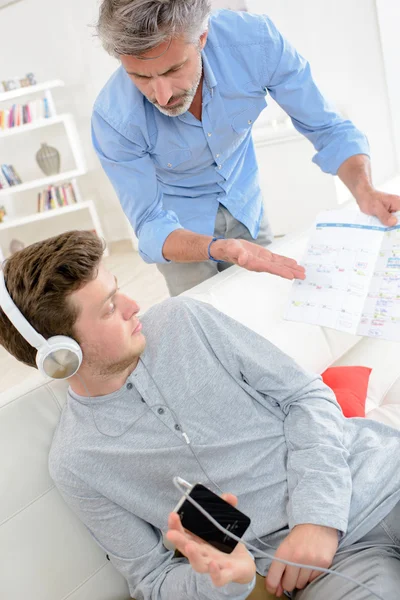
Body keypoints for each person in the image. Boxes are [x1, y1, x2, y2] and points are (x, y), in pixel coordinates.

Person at [0, 229, 400, 600]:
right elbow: (151, 579)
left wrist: (317, 518)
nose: (133, 305)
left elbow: (306, 397)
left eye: (118, 290)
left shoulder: (182, 321)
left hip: (379, 479)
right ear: (62, 357)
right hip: (327, 572)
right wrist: (225, 578)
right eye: (109, 308)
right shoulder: (79, 462)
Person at [92, 1, 400, 297]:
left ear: (201, 37)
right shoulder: (113, 119)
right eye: (141, 77)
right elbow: (149, 223)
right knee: (210, 327)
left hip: (245, 204)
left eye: (173, 70)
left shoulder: (255, 45)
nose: (161, 96)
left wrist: (365, 190)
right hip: (178, 233)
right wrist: (217, 247)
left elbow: (327, 128)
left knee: (269, 305)